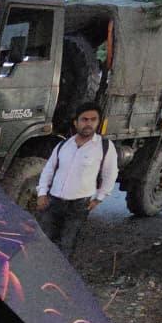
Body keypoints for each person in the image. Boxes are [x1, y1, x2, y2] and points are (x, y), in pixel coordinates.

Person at [36, 101, 118, 256]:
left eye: (93, 120)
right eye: (84, 119)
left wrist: (99, 198)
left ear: (98, 122)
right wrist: (42, 193)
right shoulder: (64, 145)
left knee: (67, 243)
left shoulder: (104, 147)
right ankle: (41, 274)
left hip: (79, 204)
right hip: (54, 201)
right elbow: (49, 169)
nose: (89, 124)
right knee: (45, 240)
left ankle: (60, 277)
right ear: (76, 122)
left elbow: (110, 174)